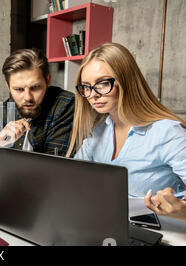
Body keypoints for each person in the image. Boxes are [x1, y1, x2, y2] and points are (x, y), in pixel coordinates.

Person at [66, 43, 186, 221]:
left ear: (126, 82)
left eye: (103, 83)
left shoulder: (168, 132)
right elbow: (72, 178)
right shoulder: (99, 132)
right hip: (111, 226)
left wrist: (182, 212)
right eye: (86, 87)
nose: (92, 95)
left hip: (168, 234)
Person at [0, 48, 75, 169]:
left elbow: (54, 167)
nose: (27, 97)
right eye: (18, 89)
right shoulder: (3, 110)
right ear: (8, 86)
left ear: (47, 81)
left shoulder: (65, 104)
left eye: (35, 87)